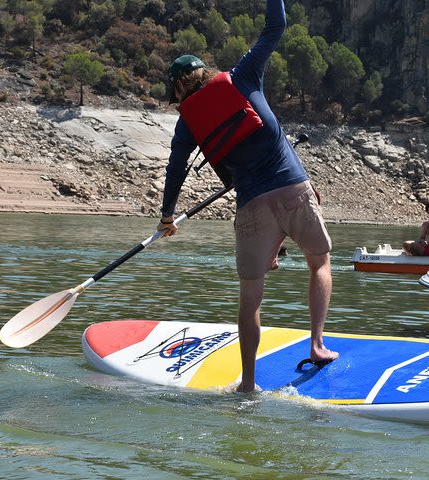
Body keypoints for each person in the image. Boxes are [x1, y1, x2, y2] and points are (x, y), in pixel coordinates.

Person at [156, 0, 337, 393]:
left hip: (252, 207)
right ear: (205, 72)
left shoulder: (188, 120)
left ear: (178, 90)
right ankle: (318, 345)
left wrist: (167, 217)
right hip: (293, 190)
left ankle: (248, 384)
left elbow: (175, 170)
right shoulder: (241, 77)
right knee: (319, 262)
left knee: (251, 295)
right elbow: (277, 25)